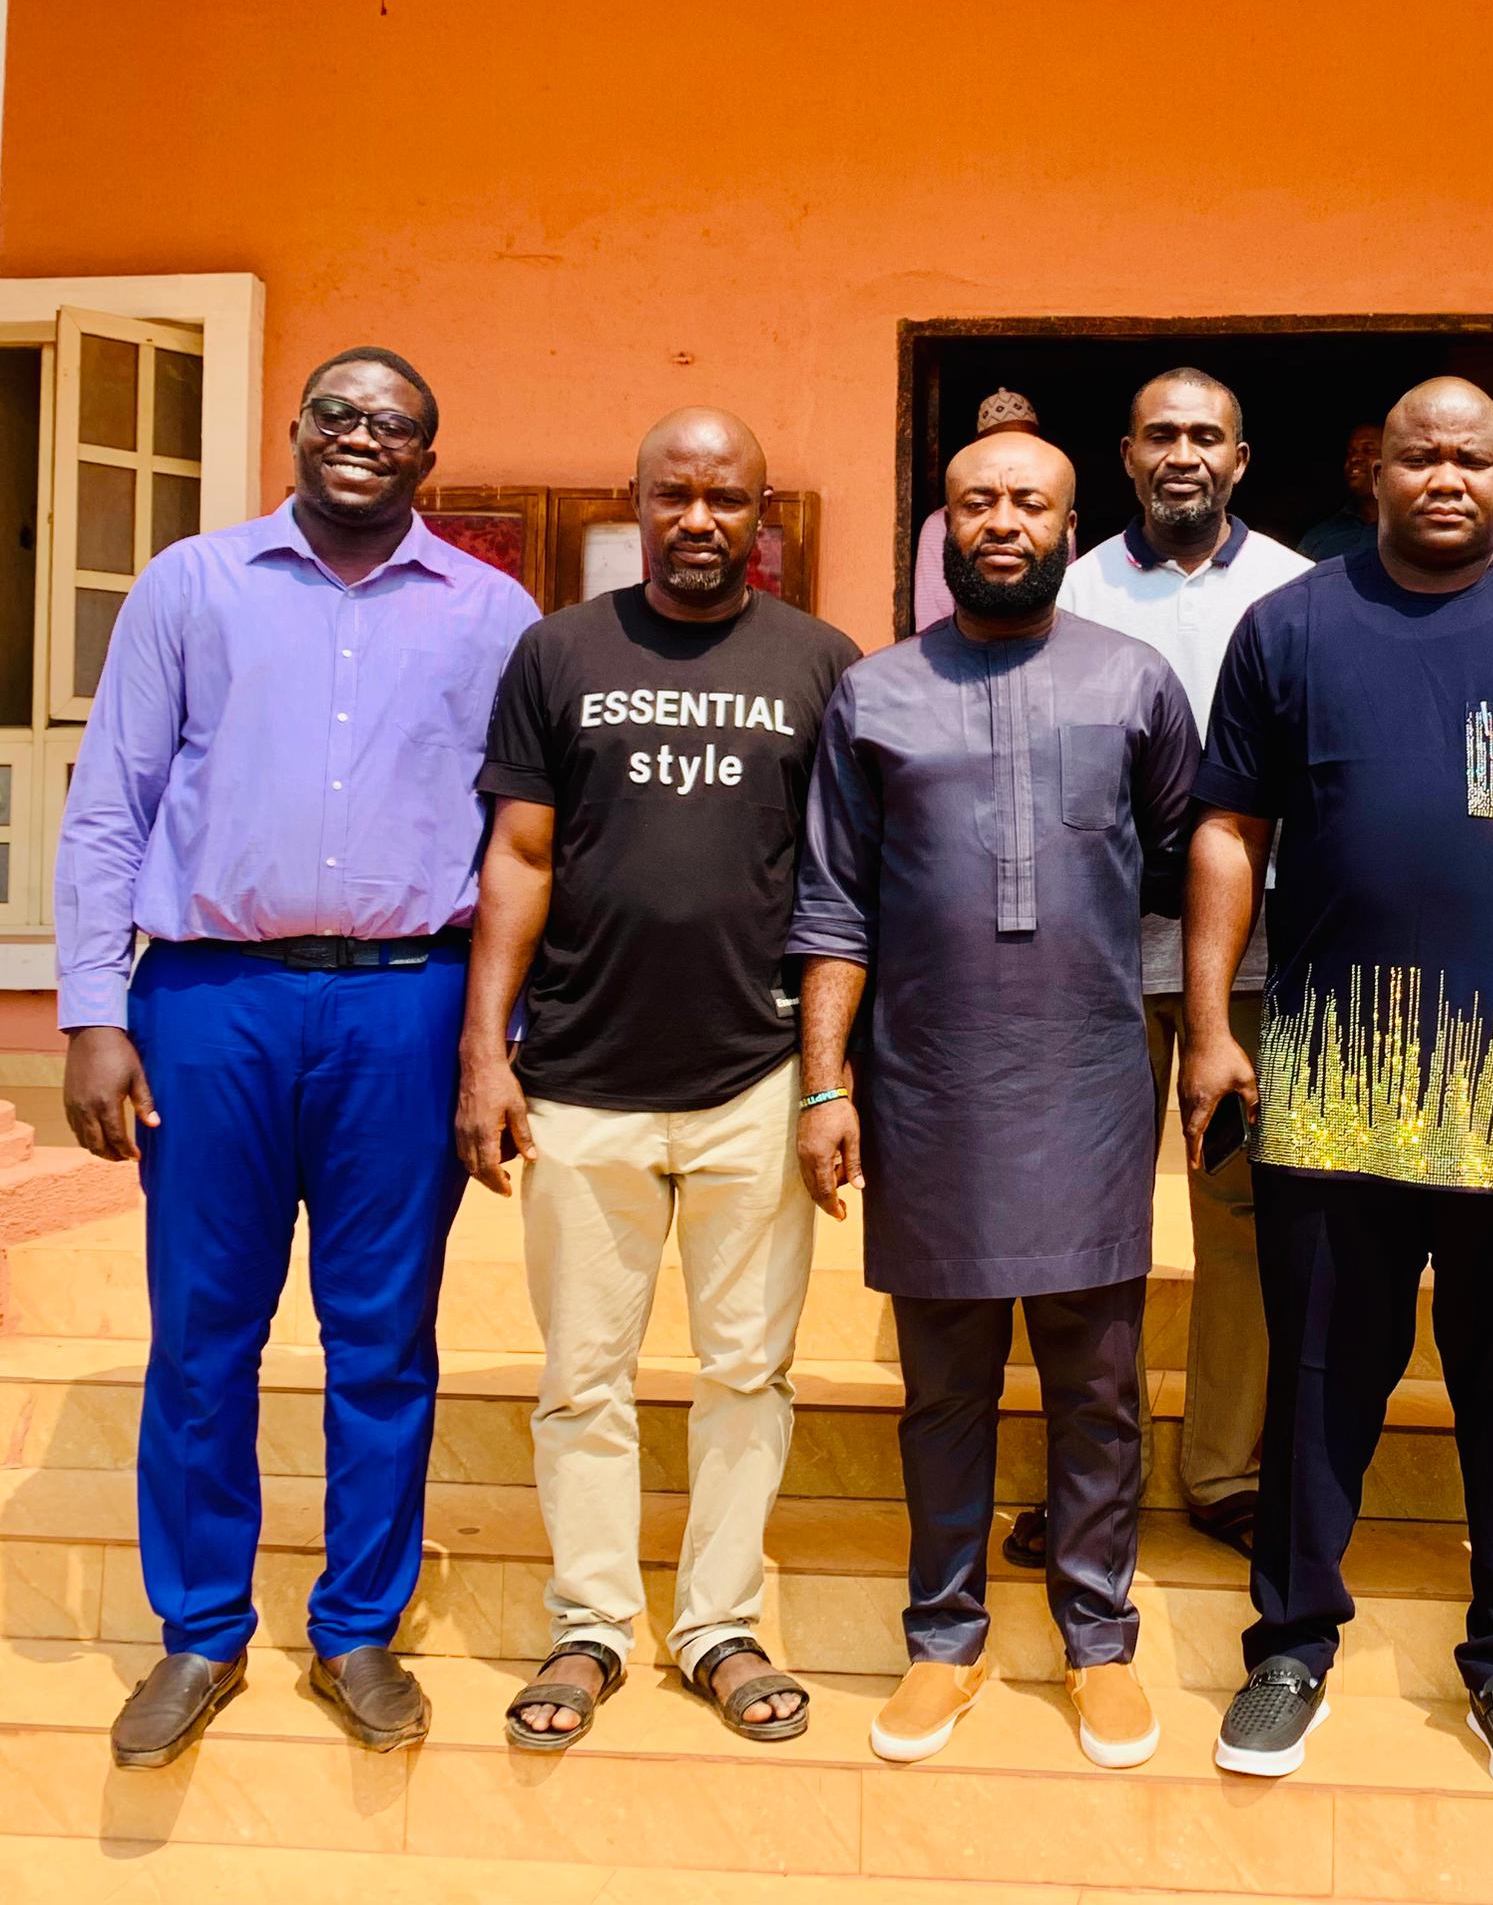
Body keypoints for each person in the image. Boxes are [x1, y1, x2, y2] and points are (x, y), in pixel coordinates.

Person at [1186, 377, 1493, 1795]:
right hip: (1334, 1071)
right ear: (1377, 473)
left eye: (1474, 457)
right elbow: (1229, 827)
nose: (1447, 478)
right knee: (1318, 1383)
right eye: (1420, 456)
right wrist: (1211, 1025)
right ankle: (1290, 1647)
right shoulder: (1290, 626)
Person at [56, 348, 539, 1767]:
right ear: (295, 430)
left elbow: (524, 841)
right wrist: (94, 1010)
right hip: (213, 1004)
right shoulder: (190, 586)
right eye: (338, 413)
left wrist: (495, 1041)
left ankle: (356, 1628)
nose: (361, 436)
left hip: (407, 1005)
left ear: (427, 459)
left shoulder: (494, 614)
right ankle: (201, 1629)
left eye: (394, 424)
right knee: (203, 1329)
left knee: (381, 1335)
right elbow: (109, 804)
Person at [791, 430, 1199, 1772]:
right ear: (945, 529)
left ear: (1073, 527)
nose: (1004, 522)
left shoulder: (1134, 681)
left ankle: (1098, 1640)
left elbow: (1179, 862)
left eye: (1031, 502)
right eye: (978, 502)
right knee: (945, 1390)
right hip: (930, 1088)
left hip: (1088, 1079)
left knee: (1099, 1388)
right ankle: (943, 1636)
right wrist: (826, 1082)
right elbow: (833, 904)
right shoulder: (875, 693)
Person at [458, 408, 856, 1752]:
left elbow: (841, 890)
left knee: (748, 1372)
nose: (697, 519)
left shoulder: (820, 664)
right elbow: (520, 857)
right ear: (633, 503)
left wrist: (826, 1082)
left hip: (753, 1079)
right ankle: (590, 1625)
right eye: (672, 495)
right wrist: (486, 1053)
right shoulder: (559, 651)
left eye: (725, 498)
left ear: (762, 516)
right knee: (584, 1377)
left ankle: (718, 1626)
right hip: (580, 1078)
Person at [1044, 367, 1313, 1559]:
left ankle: (1223, 1468)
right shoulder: (1070, 589)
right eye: (1161, 435)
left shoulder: (1296, 592)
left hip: (1249, 960)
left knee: (1240, 1218)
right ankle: (1087, 1477)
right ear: (1128, 455)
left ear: (1240, 460)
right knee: (1083, 1219)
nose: (1184, 454)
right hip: (1095, 954)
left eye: (1207, 435)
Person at [911, 388, 1039, 633]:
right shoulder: (939, 526)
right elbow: (933, 619)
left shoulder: (1051, 522)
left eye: (1024, 445)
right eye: (999, 446)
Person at [1295, 421, 1382, 559]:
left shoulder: (1410, 533)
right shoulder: (1318, 539)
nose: (1355, 458)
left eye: (1369, 450)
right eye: (1350, 453)